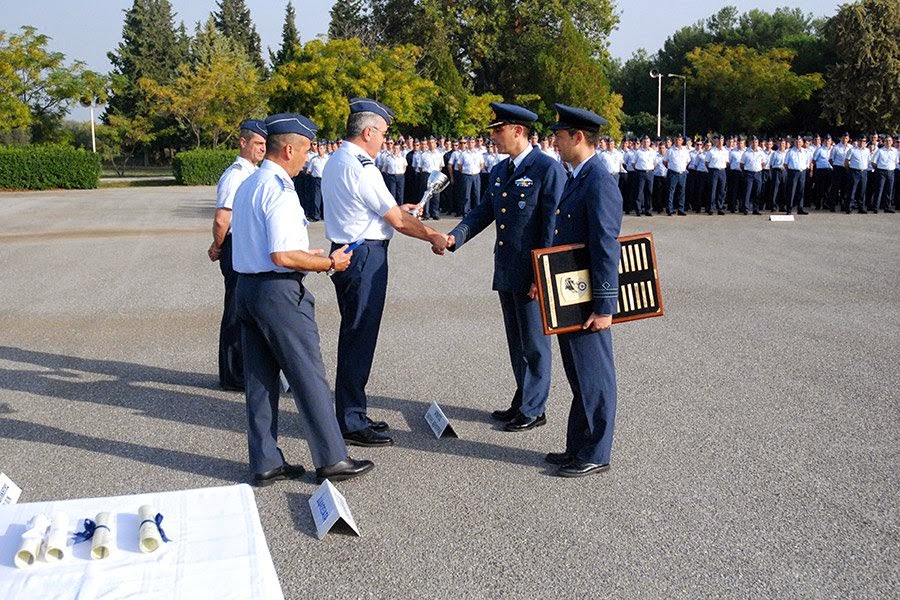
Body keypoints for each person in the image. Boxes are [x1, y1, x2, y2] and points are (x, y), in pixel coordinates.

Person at [230, 113, 374, 485]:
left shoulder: (249, 183)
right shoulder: (279, 190)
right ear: (289, 149)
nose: (309, 157)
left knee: (261, 382)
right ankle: (331, 458)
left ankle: (265, 460)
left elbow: (270, 247)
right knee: (309, 374)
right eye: (307, 149)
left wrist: (302, 253)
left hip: (247, 289)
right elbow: (282, 256)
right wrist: (329, 262)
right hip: (278, 294)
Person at [322, 98, 449, 448]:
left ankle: (353, 410)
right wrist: (433, 235)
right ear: (367, 132)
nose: (385, 140)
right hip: (365, 256)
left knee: (355, 333)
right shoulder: (363, 166)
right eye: (382, 133)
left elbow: (374, 210)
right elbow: (396, 221)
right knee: (359, 335)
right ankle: (350, 419)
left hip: (347, 247)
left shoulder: (337, 159)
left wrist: (397, 210)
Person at [443, 102, 565, 431]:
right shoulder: (500, 171)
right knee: (517, 341)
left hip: (532, 271)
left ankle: (534, 409)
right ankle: (524, 397)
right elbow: (484, 212)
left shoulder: (546, 168)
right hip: (507, 267)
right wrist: (455, 237)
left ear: (518, 131)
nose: (493, 137)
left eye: (498, 130)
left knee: (535, 343)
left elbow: (551, 226)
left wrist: (543, 275)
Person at [542, 104, 622, 477]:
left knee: (594, 375)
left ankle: (596, 452)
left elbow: (606, 244)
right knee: (578, 372)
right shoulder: (577, 176)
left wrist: (606, 305)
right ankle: (577, 446)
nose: (554, 142)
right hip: (572, 291)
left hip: (590, 298)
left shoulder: (599, 180)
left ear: (577, 137)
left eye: (559, 136)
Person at [207, 119, 267, 392]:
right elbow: (222, 219)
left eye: (265, 144)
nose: (262, 149)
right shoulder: (235, 175)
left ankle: (242, 368)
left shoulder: (253, 172)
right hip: (234, 247)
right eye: (257, 143)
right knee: (234, 312)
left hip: (246, 246)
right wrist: (218, 247)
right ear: (243, 142)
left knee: (244, 311)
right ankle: (232, 374)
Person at [664, 133, 690, 215]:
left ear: (682, 141)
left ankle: (681, 209)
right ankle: (669, 209)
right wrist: (672, 168)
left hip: (682, 173)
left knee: (682, 191)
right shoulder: (670, 150)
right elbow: (665, 162)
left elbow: (688, 161)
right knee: (671, 191)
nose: (677, 141)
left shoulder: (685, 150)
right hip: (673, 173)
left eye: (679, 140)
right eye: (676, 140)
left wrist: (683, 168)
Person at [784, 136, 811, 215]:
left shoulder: (805, 152)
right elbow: (785, 164)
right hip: (793, 172)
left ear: (802, 143)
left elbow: (807, 162)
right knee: (791, 191)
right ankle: (789, 209)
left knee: (801, 191)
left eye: (799, 142)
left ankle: (800, 208)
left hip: (802, 172)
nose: (798, 143)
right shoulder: (790, 152)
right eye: (796, 142)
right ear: (794, 143)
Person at [871, 134, 897, 213]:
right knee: (879, 190)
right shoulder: (880, 150)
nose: (888, 142)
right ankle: (876, 207)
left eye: (890, 141)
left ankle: (887, 207)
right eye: (886, 141)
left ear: (892, 142)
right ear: (884, 142)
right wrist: (878, 169)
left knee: (889, 190)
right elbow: (873, 162)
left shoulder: (895, 151)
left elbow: (896, 161)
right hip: (881, 171)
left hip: (891, 172)